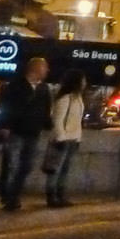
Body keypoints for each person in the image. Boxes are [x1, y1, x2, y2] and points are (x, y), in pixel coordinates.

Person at [0, 56, 53, 211]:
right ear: (35, 69)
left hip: (33, 132)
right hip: (15, 131)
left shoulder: (44, 89)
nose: (47, 71)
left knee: (26, 166)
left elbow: (45, 111)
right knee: (11, 165)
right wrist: (4, 126)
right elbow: (6, 107)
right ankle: (8, 197)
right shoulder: (15, 86)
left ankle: (14, 195)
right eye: (44, 67)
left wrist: (47, 126)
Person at [44, 70, 86, 208]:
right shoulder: (65, 98)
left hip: (73, 139)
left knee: (65, 169)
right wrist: (60, 138)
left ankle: (60, 194)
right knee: (55, 169)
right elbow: (57, 120)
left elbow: (77, 121)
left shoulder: (78, 99)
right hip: (62, 139)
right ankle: (52, 197)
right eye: (83, 80)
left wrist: (78, 138)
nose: (85, 83)